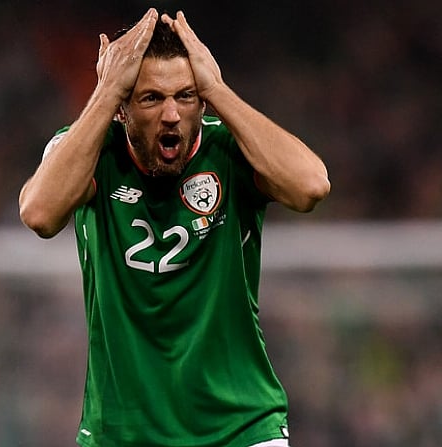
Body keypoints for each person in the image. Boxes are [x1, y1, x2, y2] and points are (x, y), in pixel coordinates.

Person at [19, 8, 330, 447]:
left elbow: (311, 187)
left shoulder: (229, 149)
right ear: (123, 109)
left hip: (241, 427)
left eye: (185, 96)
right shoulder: (92, 151)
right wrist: (107, 90)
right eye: (150, 98)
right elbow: (40, 214)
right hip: (123, 434)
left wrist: (217, 89)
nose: (171, 115)